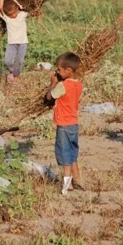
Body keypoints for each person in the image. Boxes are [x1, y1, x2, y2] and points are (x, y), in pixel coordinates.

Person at [45, 52, 84, 195]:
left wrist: (53, 83)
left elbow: (50, 96)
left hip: (63, 125)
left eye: (60, 70)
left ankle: (66, 187)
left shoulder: (63, 85)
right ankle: (78, 180)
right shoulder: (79, 84)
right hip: (74, 123)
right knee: (73, 154)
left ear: (68, 70)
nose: (58, 72)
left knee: (65, 156)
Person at [0, 0, 30, 83]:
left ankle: (16, 77)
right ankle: (13, 71)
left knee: (19, 61)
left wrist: (16, 3)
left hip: (22, 42)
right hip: (11, 43)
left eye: (14, 13)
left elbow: (27, 8)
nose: (13, 16)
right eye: (10, 15)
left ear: (17, 9)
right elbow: (0, 7)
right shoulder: (7, 18)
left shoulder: (22, 15)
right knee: (8, 61)